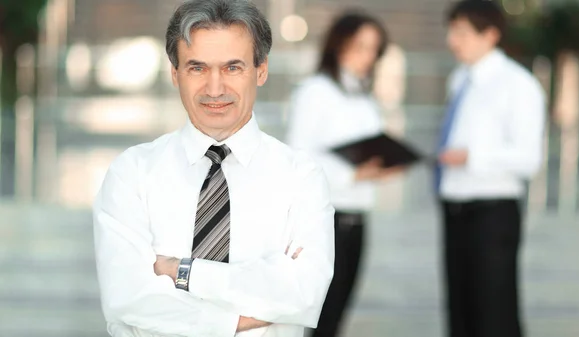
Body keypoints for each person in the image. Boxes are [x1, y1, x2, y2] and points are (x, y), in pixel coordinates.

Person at [92, 1, 334, 336]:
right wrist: (243, 318)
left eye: (233, 68)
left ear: (261, 70)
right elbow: (127, 299)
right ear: (175, 73)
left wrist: (182, 272)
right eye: (197, 68)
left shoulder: (301, 179)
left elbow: (305, 293)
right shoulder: (131, 173)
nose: (215, 88)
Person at [286, 11, 400, 337]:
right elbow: (300, 160)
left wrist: (380, 168)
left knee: (338, 316)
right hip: (327, 220)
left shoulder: (362, 97)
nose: (367, 56)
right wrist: (353, 176)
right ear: (339, 43)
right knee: (322, 317)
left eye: (374, 49)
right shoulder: (315, 92)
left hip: (358, 218)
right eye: (360, 46)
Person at [436, 1, 545, 337]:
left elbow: (529, 158)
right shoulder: (460, 80)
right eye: (452, 32)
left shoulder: (518, 84)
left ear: (491, 35)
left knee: (494, 314)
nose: (453, 41)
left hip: (492, 215)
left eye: (462, 33)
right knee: (460, 312)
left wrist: (471, 156)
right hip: (454, 211)